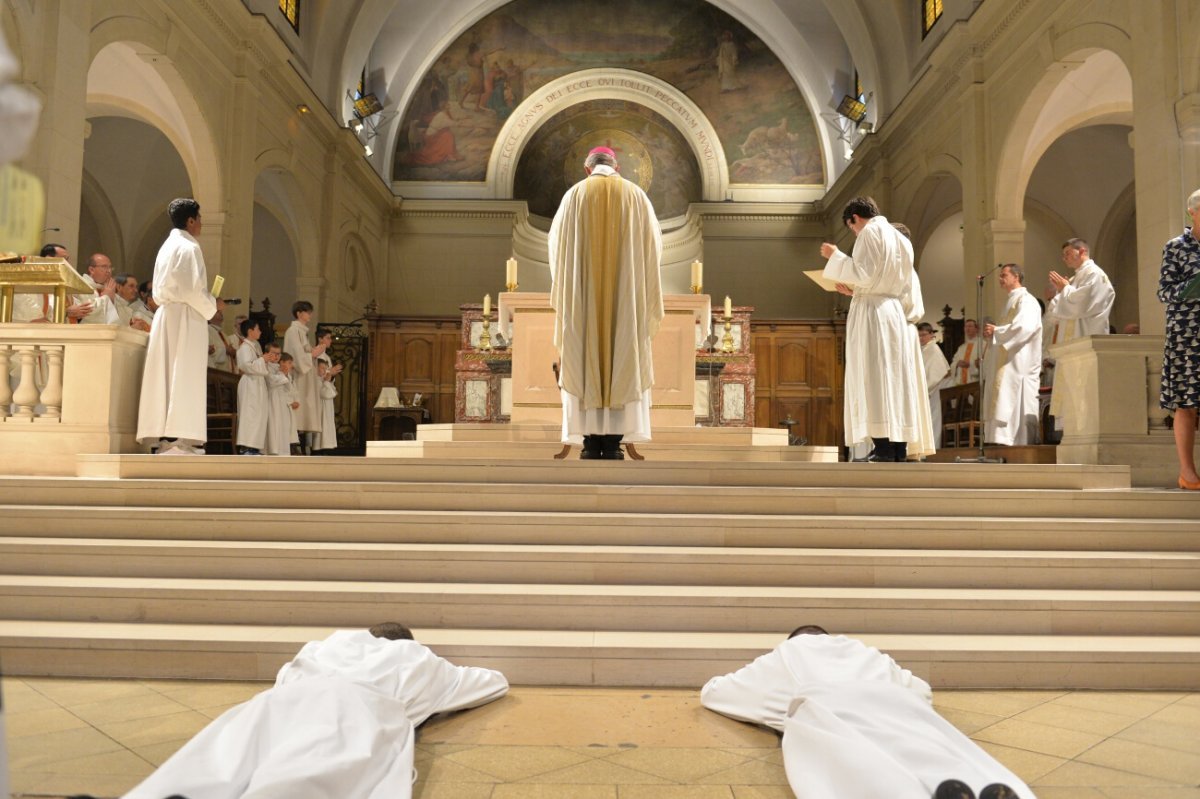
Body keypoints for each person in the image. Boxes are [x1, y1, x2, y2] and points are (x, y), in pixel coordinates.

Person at [122, 623, 508, 799]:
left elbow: (286, 675)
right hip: (357, 707)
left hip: (280, 703)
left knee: (219, 761)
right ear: (406, 640)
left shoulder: (326, 644)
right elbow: (493, 682)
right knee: (308, 772)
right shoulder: (417, 658)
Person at [700, 626, 1029, 799]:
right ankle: (971, 785)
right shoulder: (865, 651)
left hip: (831, 706)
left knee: (860, 764)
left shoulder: (789, 653)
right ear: (827, 636)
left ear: (795, 639)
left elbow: (718, 693)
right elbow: (923, 689)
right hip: (897, 704)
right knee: (929, 749)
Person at [548, 145, 663, 460]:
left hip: (583, 301)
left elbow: (556, 249)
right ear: (618, 167)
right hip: (626, 300)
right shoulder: (636, 196)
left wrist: (574, 286)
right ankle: (613, 444)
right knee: (622, 354)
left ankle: (590, 443)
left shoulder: (574, 196)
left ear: (587, 169)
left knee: (584, 359)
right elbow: (655, 247)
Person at [821, 197, 930, 463]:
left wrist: (835, 257)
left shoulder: (869, 232)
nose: (854, 232)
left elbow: (865, 274)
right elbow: (897, 282)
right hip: (892, 311)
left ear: (854, 219)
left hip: (873, 314)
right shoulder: (901, 239)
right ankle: (897, 449)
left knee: (874, 377)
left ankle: (882, 448)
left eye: (852, 228)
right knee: (895, 381)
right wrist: (856, 289)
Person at [136, 198, 222, 455]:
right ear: (191, 220)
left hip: (167, 314)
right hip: (185, 316)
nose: (202, 224)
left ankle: (166, 435)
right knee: (184, 374)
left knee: (166, 373)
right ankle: (181, 438)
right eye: (200, 219)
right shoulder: (188, 247)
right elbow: (190, 289)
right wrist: (212, 306)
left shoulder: (166, 246)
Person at [1159, 189, 1200, 490]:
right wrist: (1192, 285)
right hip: (1187, 334)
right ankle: (1188, 473)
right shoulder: (1176, 247)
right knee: (1186, 404)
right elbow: (1164, 292)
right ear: (1193, 213)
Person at [983, 264, 1042, 446]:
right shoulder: (1010, 301)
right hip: (1009, 360)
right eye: (1000, 276)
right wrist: (995, 334)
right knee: (1004, 396)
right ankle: (1000, 441)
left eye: (1004, 275)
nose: (1000, 279)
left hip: (1020, 362)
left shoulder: (1027, 300)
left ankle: (1017, 441)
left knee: (1014, 397)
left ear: (1016, 277)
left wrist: (998, 332)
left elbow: (1026, 327)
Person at [283, 300, 328, 454]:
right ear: (299, 313)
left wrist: (313, 352)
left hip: (306, 376)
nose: (310, 315)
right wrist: (312, 354)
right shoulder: (293, 331)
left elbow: (304, 352)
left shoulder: (302, 331)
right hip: (298, 376)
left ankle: (302, 444)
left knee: (305, 410)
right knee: (299, 409)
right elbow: (296, 356)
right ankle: (293, 444)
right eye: (307, 312)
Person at [235, 318, 271, 456]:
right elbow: (246, 366)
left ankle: (255, 446)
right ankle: (246, 447)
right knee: (250, 414)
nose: (260, 331)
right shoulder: (244, 347)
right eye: (258, 329)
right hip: (250, 383)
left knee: (258, 415)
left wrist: (264, 360)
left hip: (257, 383)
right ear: (250, 331)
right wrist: (263, 359)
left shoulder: (254, 346)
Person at [918, 322, 951, 448]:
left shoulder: (933, 349)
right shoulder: (922, 349)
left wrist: (925, 389)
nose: (921, 338)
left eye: (924, 335)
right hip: (924, 390)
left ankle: (931, 448)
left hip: (933, 391)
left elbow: (939, 373)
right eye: (919, 335)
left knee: (932, 421)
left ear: (931, 335)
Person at [265, 351, 300, 456]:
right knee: (276, 426)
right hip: (275, 402)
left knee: (284, 427)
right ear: (282, 363)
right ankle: (274, 450)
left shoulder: (286, 375)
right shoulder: (273, 370)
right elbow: (272, 383)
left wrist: (293, 401)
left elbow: (290, 390)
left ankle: (284, 450)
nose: (291, 365)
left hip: (284, 405)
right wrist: (283, 374)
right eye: (289, 363)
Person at [315, 333, 342, 452]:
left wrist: (331, 374)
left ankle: (326, 446)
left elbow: (328, 375)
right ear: (320, 339)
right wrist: (329, 371)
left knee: (327, 420)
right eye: (327, 337)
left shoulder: (326, 357)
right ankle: (317, 447)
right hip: (318, 392)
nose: (330, 340)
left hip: (326, 388)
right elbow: (316, 373)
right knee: (320, 420)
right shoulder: (315, 354)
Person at [74, 253, 120, 324]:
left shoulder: (108, 288)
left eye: (110, 267)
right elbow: (86, 313)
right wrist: (106, 297)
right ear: (91, 269)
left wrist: (112, 300)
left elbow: (115, 318)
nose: (109, 271)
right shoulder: (79, 286)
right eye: (104, 267)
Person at [951, 319, 982, 386]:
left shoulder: (982, 345)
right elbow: (954, 362)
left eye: (970, 326)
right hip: (961, 383)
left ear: (977, 329)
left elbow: (985, 363)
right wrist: (957, 364)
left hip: (975, 382)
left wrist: (970, 364)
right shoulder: (961, 348)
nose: (967, 328)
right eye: (966, 326)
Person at [207, 306, 236, 371]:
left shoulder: (224, 335)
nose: (221, 313)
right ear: (209, 316)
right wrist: (225, 350)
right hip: (215, 372)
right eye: (218, 312)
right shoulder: (206, 331)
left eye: (221, 312)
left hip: (228, 371)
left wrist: (233, 352)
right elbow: (207, 351)